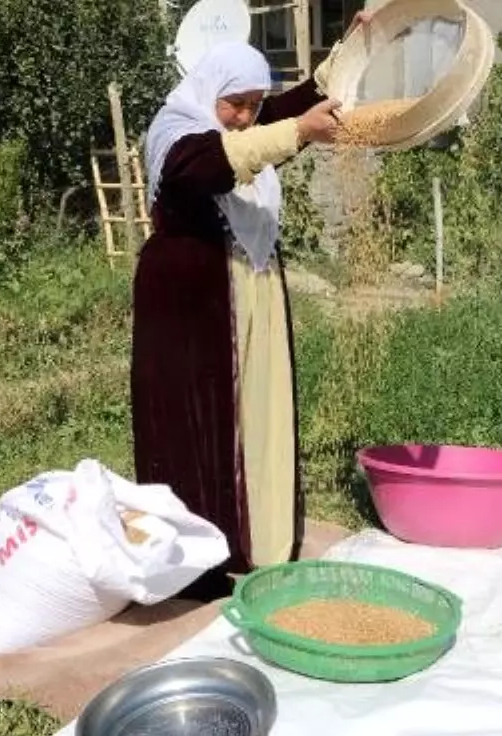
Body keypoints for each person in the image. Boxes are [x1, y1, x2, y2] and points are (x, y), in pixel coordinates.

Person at [135, 25, 367, 601]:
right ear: (208, 90)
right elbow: (208, 167)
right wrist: (292, 130)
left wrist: (354, 45)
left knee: (257, 410)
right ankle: (199, 560)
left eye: (252, 106)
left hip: (250, 291)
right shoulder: (178, 132)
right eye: (234, 104)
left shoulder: (243, 125)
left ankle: (257, 539)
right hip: (191, 306)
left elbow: (291, 113)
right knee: (196, 427)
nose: (243, 116)